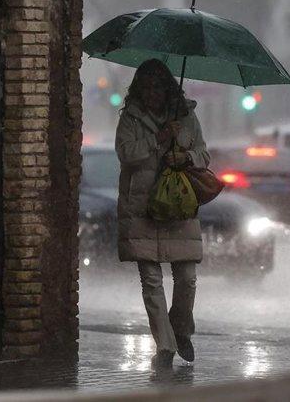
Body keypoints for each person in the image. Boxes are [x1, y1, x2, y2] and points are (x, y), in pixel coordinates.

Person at [114, 58, 210, 369]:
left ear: (168, 87)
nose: (153, 92)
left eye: (158, 86)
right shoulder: (130, 117)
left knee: (187, 278)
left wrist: (186, 155)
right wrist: (157, 141)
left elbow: (204, 155)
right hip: (141, 208)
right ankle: (165, 345)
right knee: (151, 280)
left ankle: (181, 330)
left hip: (178, 206)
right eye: (147, 87)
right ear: (139, 89)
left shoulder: (186, 115)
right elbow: (126, 153)